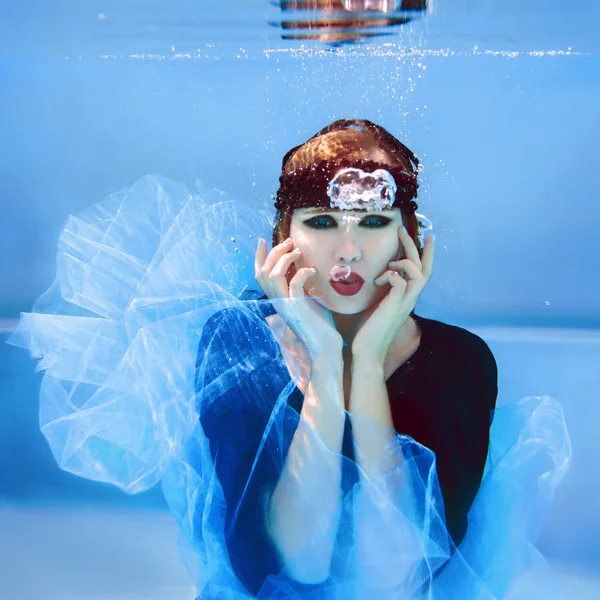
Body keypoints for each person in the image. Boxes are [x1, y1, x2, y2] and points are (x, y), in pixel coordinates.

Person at [9, 120, 571, 600]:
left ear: (411, 239)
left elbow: (396, 575)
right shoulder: (238, 342)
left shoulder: (460, 361)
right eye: (322, 222)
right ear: (283, 236)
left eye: (374, 223)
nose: (348, 251)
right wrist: (326, 368)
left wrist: (368, 364)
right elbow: (289, 570)